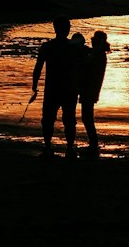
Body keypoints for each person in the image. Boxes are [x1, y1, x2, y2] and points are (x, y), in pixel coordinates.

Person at [30, 16, 79, 158]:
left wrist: (34, 84)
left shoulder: (47, 47)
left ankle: (48, 147)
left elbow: (38, 67)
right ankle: (69, 148)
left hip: (53, 88)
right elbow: (83, 66)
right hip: (68, 89)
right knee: (68, 119)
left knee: (48, 119)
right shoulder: (73, 47)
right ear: (66, 29)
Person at [71, 28, 110, 157]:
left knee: (87, 118)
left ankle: (93, 144)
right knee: (87, 117)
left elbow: (87, 62)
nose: (91, 42)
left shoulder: (97, 54)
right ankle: (93, 144)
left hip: (90, 89)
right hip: (91, 89)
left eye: (93, 40)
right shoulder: (99, 52)